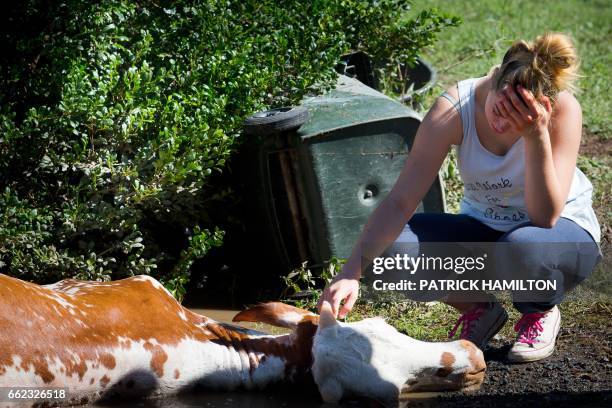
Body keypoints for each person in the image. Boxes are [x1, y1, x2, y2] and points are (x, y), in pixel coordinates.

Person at [318, 32, 602, 363]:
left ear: (543, 108)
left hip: (557, 235)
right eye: (499, 109)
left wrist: (536, 135)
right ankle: (479, 308)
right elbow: (400, 201)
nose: (501, 124)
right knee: (393, 254)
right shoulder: (455, 109)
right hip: (485, 227)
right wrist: (352, 270)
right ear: (495, 79)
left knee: (524, 246)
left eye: (516, 120)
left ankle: (539, 310)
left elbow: (544, 218)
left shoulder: (563, 110)